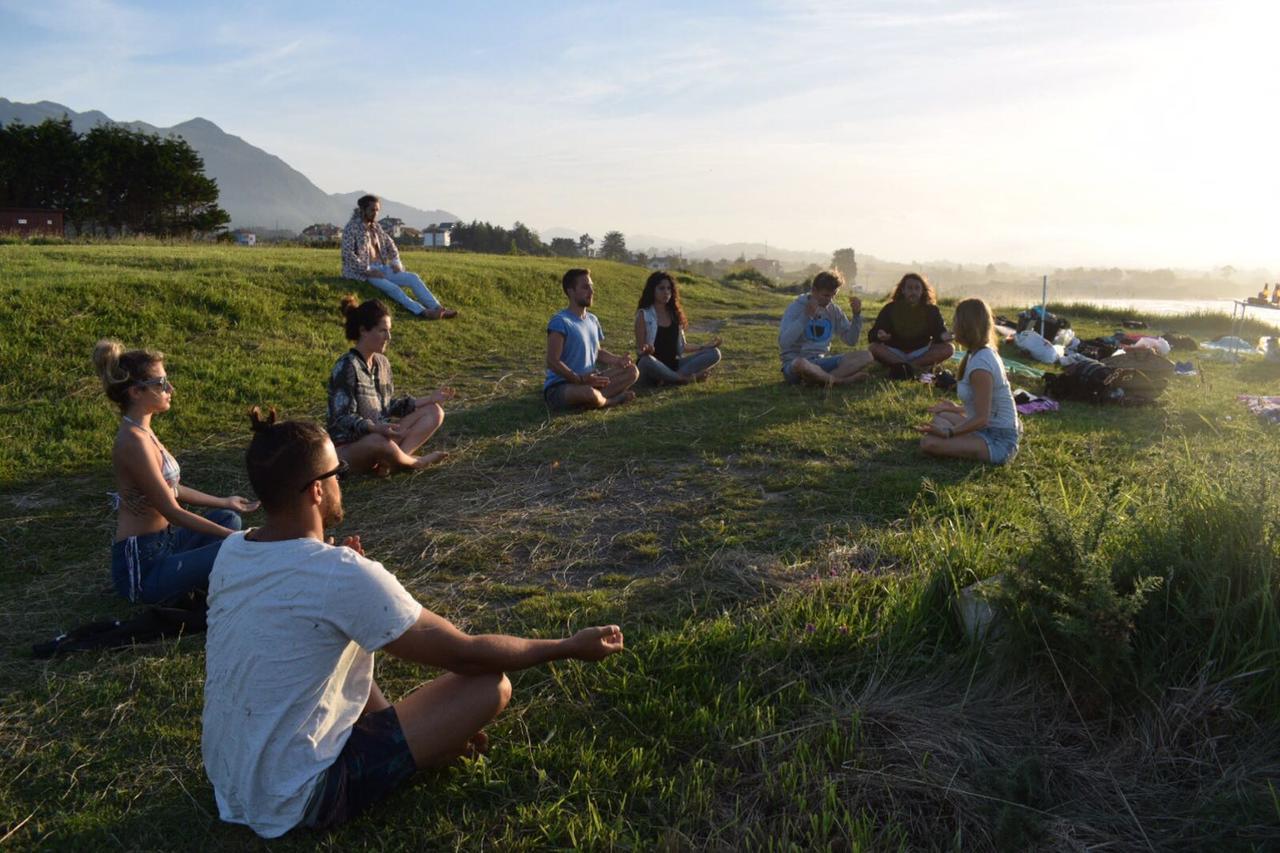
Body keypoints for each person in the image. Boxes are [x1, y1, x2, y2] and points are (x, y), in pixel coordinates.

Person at [201, 409, 625, 837]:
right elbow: (467, 654)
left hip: (234, 783)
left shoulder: (235, 552)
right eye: (338, 472)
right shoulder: (339, 575)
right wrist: (569, 645)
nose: (341, 481)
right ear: (315, 491)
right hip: (299, 798)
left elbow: (309, 622)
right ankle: (421, 754)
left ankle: (412, 747)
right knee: (489, 686)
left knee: (347, 645)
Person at [92, 339, 257, 604]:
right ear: (136, 392)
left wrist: (224, 501)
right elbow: (172, 511)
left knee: (227, 517)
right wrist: (241, 539)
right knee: (232, 546)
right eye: (161, 383)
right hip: (144, 568)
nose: (170, 388)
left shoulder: (143, 430)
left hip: (165, 543)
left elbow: (171, 488)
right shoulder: (132, 441)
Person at [327, 296, 453, 475]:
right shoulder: (346, 366)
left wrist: (430, 399)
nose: (388, 337)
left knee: (435, 411)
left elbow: (388, 405)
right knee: (378, 440)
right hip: (351, 447)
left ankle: (392, 462)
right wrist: (374, 427)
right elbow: (341, 419)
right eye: (382, 331)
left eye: (389, 331)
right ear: (363, 331)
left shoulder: (382, 364)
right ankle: (414, 463)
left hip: (382, 436)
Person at [916, 298, 1021, 464]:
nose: (953, 326)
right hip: (987, 428)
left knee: (929, 443)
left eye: (956, 321)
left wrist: (949, 433)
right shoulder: (977, 353)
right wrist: (956, 409)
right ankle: (958, 435)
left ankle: (957, 438)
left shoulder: (981, 365)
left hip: (999, 440)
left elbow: (982, 418)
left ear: (965, 326)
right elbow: (984, 404)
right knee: (942, 415)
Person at [341, 194, 457, 319]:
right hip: (363, 272)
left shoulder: (377, 227)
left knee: (413, 278)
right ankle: (422, 311)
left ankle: (438, 308)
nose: (375, 213)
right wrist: (368, 270)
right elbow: (347, 254)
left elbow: (391, 245)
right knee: (393, 288)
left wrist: (396, 262)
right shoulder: (351, 227)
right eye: (372, 210)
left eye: (377, 210)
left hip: (382, 268)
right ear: (362, 210)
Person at [544, 268, 639, 410]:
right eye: (585, 287)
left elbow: (597, 351)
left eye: (591, 287)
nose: (591, 291)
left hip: (591, 380)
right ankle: (609, 401)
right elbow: (552, 361)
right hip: (562, 386)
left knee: (632, 371)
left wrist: (618, 360)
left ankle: (593, 400)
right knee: (588, 393)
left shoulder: (592, 320)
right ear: (571, 291)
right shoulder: (560, 321)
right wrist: (579, 379)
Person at [778, 269, 874, 385]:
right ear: (814, 290)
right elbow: (784, 343)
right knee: (801, 363)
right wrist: (805, 316)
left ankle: (818, 380)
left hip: (820, 362)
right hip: (795, 364)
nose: (829, 300)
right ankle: (840, 381)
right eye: (826, 295)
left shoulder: (833, 310)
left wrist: (857, 315)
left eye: (834, 295)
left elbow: (851, 340)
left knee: (866, 356)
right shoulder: (796, 307)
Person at [632, 271, 722, 385]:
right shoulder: (643, 315)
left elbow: (682, 347)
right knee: (646, 361)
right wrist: (646, 350)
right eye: (661, 288)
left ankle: (671, 379)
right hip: (652, 367)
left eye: (669, 288)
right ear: (652, 290)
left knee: (715, 353)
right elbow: (640, 351)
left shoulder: (674, 314)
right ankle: (684, 379)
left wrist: (704, 346)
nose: (666, 292)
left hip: (673, 366)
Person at [868, 272, 955, 378]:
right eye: (909, 288)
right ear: (903, 290)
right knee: (873, 348)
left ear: (922, 291)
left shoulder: (931, 310)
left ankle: (908, 367)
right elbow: (872, 335)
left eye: (917, 288)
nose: (913, 291)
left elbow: (939, 333)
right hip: (895, 352)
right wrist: (879, 335)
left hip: (921, 353)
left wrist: (944, 336)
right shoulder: (890, 309)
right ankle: (908, 366)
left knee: (949, 348)